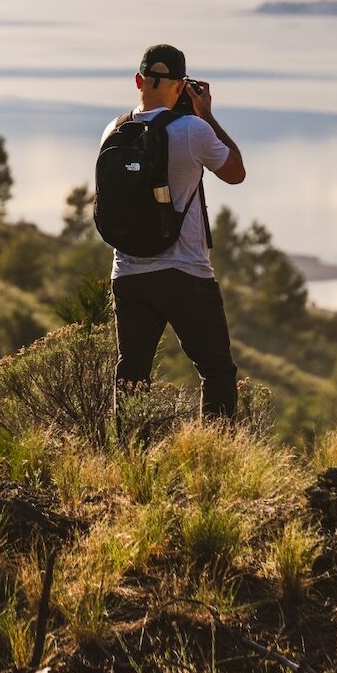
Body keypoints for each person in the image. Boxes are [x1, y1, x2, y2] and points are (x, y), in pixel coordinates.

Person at [106, 43, 247, 417]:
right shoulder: (192, 130)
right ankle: (212, 459)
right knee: (216, 371)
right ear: (182, 85)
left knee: (132, 375)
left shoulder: (114, 130)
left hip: (129, 271)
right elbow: (235, 172)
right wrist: (207, 114)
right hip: (184, 271)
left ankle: (127, 459)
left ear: (139, 80)